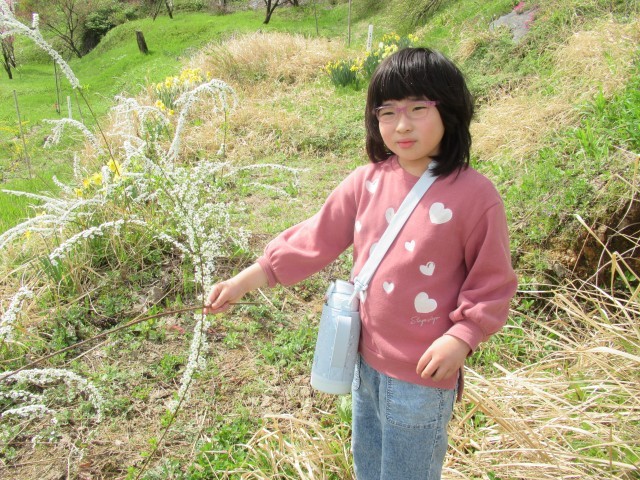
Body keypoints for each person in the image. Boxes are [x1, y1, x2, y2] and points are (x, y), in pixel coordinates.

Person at [204, 47, 518, 480]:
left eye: (418, 108)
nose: (401, 125)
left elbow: (491, 282)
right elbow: (316, 237)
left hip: (422, 377)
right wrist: (245, 280)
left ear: (450, 109)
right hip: (364, 364)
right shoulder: (367, 181)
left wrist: (462, 338)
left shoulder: (475, 197)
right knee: (367, 466)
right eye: (387, 112)